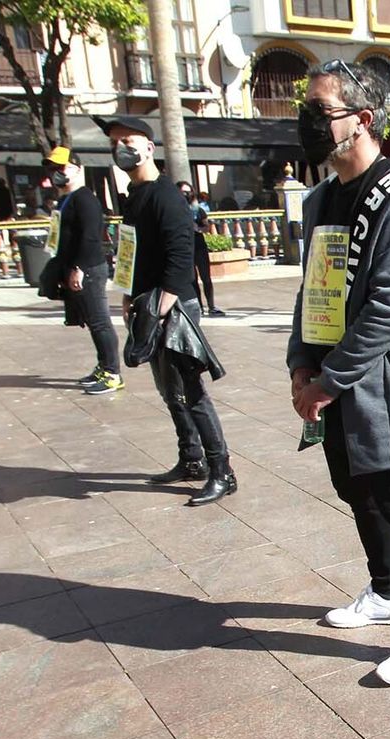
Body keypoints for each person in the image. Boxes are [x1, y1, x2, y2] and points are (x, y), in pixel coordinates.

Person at [289, 59, 390, 686]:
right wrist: (301, 366)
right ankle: (387, 591)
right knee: (355, 489)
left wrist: (326, 382)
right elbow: (313, 291)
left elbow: (389, 309)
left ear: (361, 120)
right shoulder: (323, 199)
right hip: (332, 382)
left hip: (384, 387)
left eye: (320, 111)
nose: (309, 124)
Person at [97, 114, 234, 506]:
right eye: (116, 143)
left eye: (129, 141)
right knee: (168, 391)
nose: (122, 148)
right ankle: (191, 459)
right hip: (149, 305)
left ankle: (221, 469)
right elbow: (131, 252)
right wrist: (128, 294)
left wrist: (161, 306)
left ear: (148, 148)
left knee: (191, 392)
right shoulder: (134, 196)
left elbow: (180, 253)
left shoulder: (165, 195)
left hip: (173, 308)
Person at [44, 146, 120, 396]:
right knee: (91, 321)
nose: (58, 173)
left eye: (62, 168)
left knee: (99, 321)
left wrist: (78, 269)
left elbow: (89, 237)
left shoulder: (85, 198)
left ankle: (112, 373)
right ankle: (103, 366)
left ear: (77, 169)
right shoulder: (66, 199)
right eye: (54, 168)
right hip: (73, 267)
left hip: (88, 268)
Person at [192, 209, 223, 316]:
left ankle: (211, 306)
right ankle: (198, 306)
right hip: (186, 246)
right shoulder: (179, 209)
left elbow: (206, 227)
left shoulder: (198, 211)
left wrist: (197, 228)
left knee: (206, 277)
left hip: (199, 246)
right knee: (192, 279)